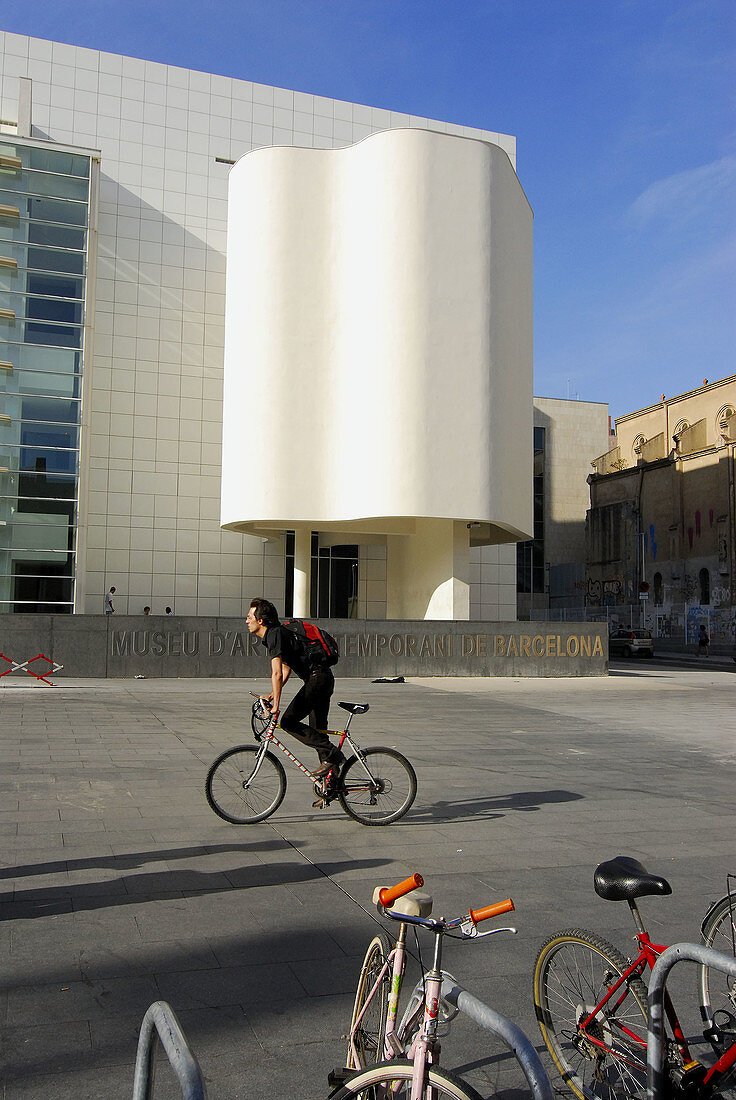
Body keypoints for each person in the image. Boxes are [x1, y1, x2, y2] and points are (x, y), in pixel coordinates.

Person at [246, 597, 344, 779]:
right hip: (322, 679)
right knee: (318, 732)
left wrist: (276, 708)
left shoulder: (274, 634)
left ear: (260, 620)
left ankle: (333, 755)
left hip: (317, 680)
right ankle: (333, 786)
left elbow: (276, 673)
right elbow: (285, 670)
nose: (246, 621)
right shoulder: (278, 633)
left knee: (288, 722)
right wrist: (272, 695)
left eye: (249, 617)